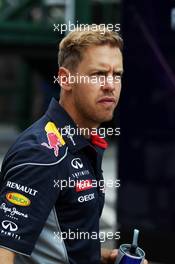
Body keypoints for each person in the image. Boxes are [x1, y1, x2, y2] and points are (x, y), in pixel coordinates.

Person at [0, 26, 148, 264]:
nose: (110, 85)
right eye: (98, 74)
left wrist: (99, 258)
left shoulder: (83, 142)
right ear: (66, 79)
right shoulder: (42, 152)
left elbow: (55, 244)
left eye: (117, 75)